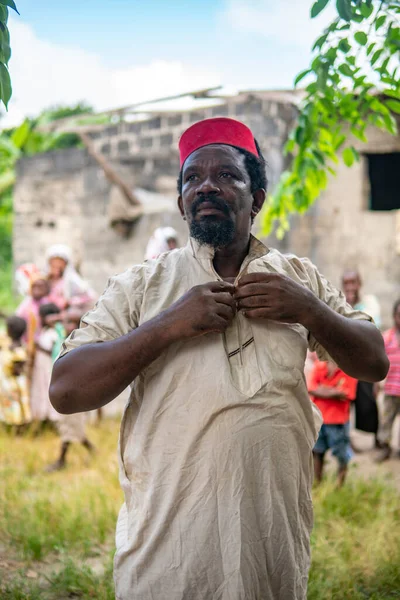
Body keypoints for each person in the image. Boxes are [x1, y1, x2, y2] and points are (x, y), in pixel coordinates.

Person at [50, 117, 388, 600]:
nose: (206, 185)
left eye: (227, 175)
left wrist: (306, 308)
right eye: (192, 178)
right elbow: (65, 390)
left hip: (272, 543)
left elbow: (374, 362)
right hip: (169, 549)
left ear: (257, 198)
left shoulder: (297, 277)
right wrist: (169, 325)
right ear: (183, 203)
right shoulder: (141, 286)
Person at [46, 311, 95, 472]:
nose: (68, 326)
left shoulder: (83, 344)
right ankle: (91, 450)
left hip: (74, 393)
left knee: (70, 426)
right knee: (71, 427)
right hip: (65, 390)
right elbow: (50, 320)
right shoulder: (63, 337)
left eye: (72, 322)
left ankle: (61, 460)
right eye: (67, 322)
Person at [342, 269, 382, 448]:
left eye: (353, 283)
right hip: (346, 361)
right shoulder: (339, 302)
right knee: (344, 400)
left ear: (360, 284)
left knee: (369, 401)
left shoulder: (369, 303)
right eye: (346, 283)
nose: (350, 287)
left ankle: (379, 439)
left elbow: (373, 328)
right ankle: (345, 439)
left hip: (365, 361)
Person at [308, 360, 357, 486]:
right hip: (319, 420)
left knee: (341, 455)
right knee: (318, 452)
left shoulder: (349, 369)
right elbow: (310, 388)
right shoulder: (319, 367)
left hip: (338, 422)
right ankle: (317, 484)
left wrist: (321, 389)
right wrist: (334, 392)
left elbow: (347, 394)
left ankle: (340, 486)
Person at [375, 299, 400, 462]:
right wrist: (376, 383)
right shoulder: (387, 337)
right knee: (386, 420)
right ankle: (385, 447)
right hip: (391, 388)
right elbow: (379, 362)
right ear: (394, 316)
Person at [29, 303, 62, 423]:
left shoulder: (55, 332)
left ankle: (53, 418)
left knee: (47, 388)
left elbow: (53, 350)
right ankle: (42, 416)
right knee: (40, 389)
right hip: (41, 367)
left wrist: (38, 346)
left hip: (48, 367)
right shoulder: (44, 330)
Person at [0, 317, 31, 427]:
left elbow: (18, 370)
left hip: (14, 382)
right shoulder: (8, 344)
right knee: (11, 404)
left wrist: (15, 367)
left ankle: (18, 427)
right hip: (10, 381)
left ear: (10, 330)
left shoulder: (18, 350)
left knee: (16, 404)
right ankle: (11, 424)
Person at [46, 244, 96, 312]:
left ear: (65, 263)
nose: (56, 264)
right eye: (54, 261)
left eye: (60, 261)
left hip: (65, 314)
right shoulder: (46, 279)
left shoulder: (72, 279)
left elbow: (90, 296)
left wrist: (70, 302)